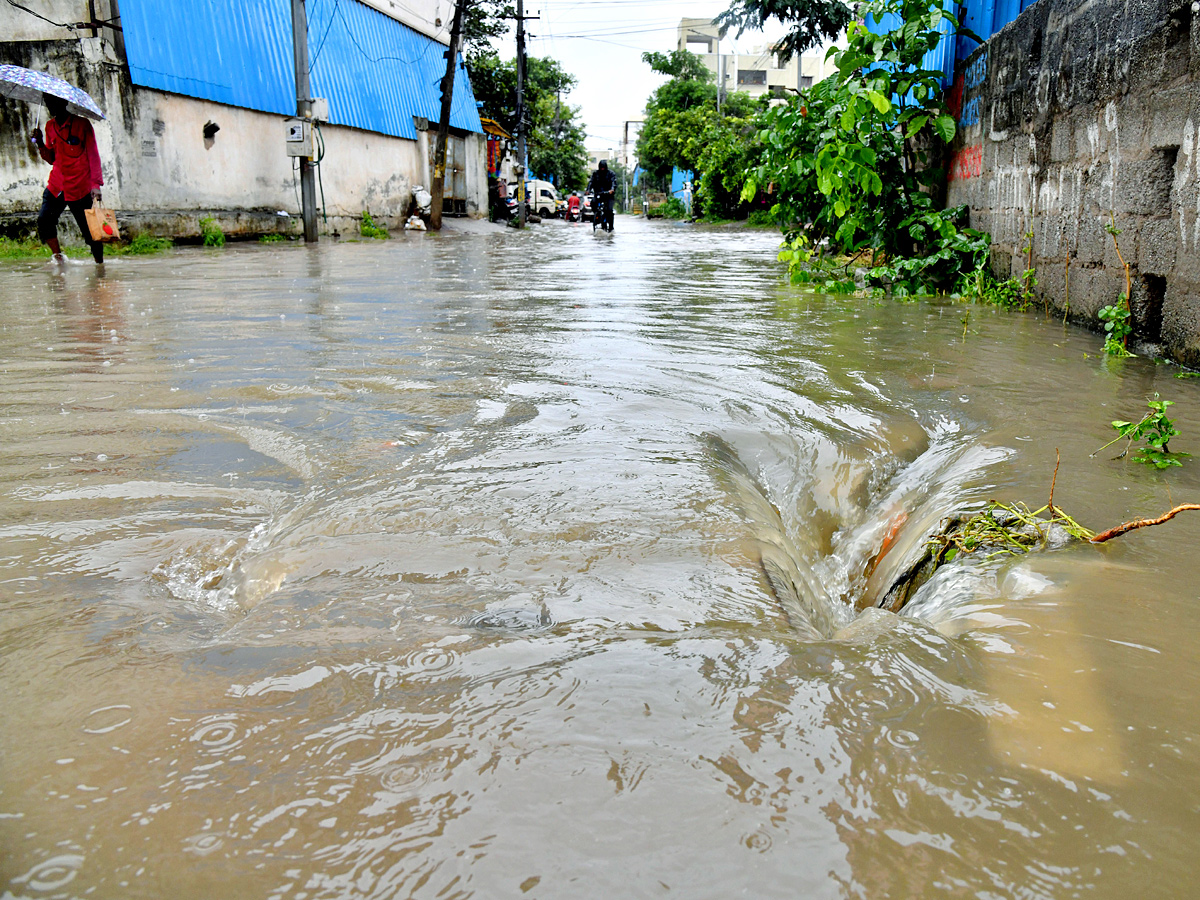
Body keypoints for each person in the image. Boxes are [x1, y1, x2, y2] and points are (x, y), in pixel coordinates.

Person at [31, 92, 105, 265]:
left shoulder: (82, 124)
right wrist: (41, 143)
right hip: (57, 185)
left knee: (91, 233)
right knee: (44, 220)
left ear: (64, 102)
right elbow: (52, 158)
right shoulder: (50, 127)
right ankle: (58, 258)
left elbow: (93, 154)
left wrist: (95, 184)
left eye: (53, 102)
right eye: (47, 103)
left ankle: (100, 266)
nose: (50, 107)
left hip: (80, 186)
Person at [587, 160, 616, 232]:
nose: (602, 169)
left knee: (609, 210)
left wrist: (612, 190)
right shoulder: (595, 174)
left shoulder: (611, 174)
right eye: (601, 168)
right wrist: (588, 190)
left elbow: (614, 182)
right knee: (593, 202)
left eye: (603, 168)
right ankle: (597, 216)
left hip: (608, 195)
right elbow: (591, 182)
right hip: (598, 194)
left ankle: (611, 226)